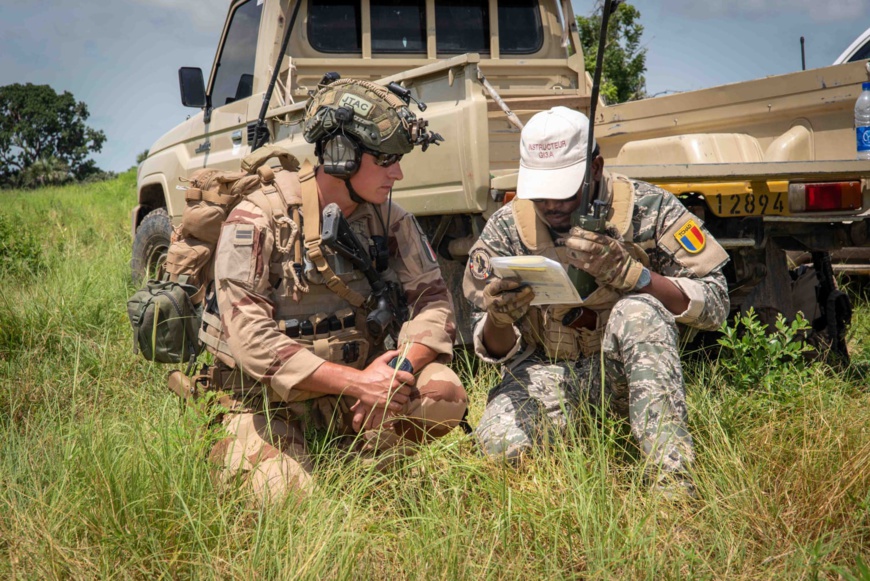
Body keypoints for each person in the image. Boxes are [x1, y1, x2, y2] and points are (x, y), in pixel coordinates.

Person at [205, 77, 467, 501]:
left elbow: (434, 302)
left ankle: (367, 462)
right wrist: (360, 385)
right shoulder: (258, 218)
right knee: (289, 500)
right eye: (385, 159)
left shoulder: (389, 218)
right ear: (341, 155)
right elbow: (251, 341)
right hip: (263, 401)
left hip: (353, 391)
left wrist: (392, 377)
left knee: (444, 395)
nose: (397, 173)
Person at [462, 106, 730, 497]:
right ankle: (580, 449)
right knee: (500, 449)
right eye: (539, 193)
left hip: (631, 375)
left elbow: (717, 304)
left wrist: (636, 277)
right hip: (547, 373)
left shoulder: (650, 209)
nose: (551, 205)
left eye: (564, 191)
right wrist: (499, 319)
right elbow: (491, 347)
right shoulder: (506, 227)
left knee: (638, 311)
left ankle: (672, 484)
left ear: (596, 168)